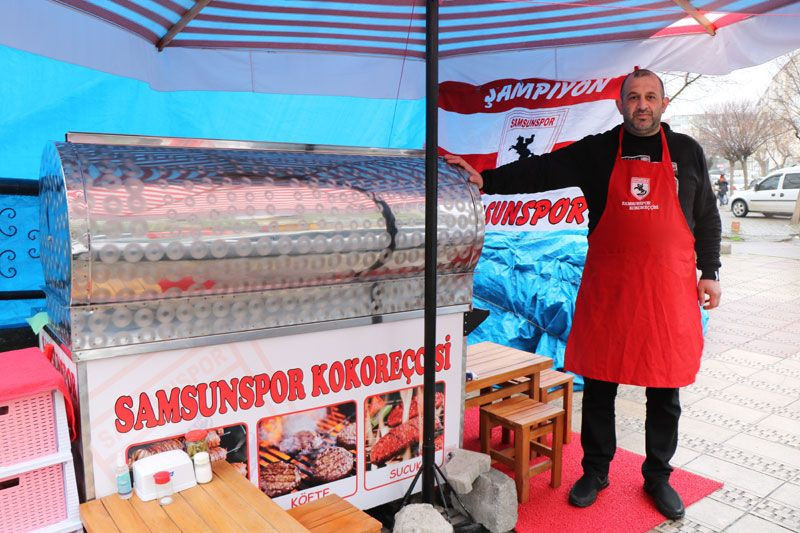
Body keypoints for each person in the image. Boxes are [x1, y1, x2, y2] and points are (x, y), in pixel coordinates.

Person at [446, 69, 721, 520]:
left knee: (664, 387)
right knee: (599, 382)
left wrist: (710, 271)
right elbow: (542, 169)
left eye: (651, 96)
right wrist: (486, 180)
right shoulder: (599, 150)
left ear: (664, 103)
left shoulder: (688, 151)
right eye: (633, 97)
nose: (642, 105)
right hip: (610, 288)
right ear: (620, 104)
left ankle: (658, 475)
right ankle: (595, 470)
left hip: (667, 290)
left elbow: (707, 214)